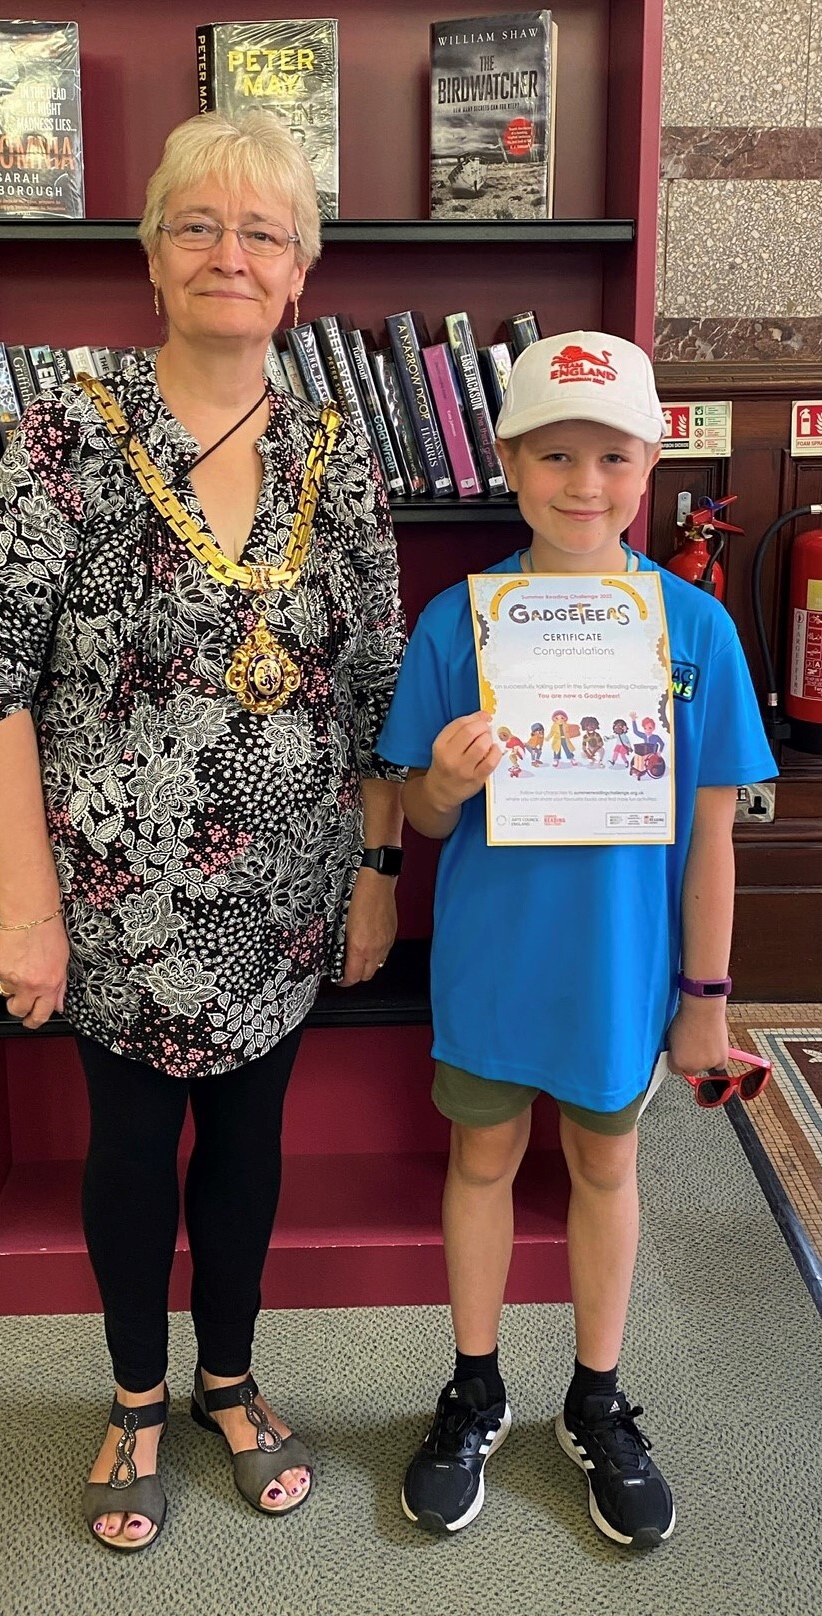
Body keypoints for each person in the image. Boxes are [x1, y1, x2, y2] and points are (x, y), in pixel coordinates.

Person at [0, 110, 406, 1550]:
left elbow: (380, 686)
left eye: (261, 230)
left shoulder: (340, 453)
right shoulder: (65, 437)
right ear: (150, 256)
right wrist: (25, 910)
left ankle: (227, 1374)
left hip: (288, 890)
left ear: (300, 271)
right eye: (196, 225)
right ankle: (135, 1396)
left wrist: (377, 872)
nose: (229, 252)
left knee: (250, 1143)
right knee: (134, 1151)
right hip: (114, 907)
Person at [377, 330, 776, 1549]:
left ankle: (594, 1397)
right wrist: (441, 780)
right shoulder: (459, 622)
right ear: (507, 461)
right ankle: (475, 1384)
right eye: (554, 453)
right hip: (495, 966)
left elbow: (710, 837)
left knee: (605, 1169)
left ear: (648, 463)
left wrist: (703, 994)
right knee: (482, 1163)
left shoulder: (695, 630)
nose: (582, 483)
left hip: (621, 972)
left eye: (611, 456)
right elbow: (422, 813)